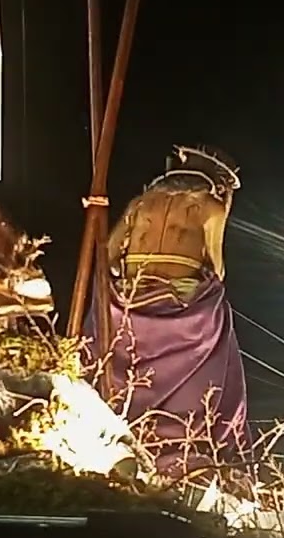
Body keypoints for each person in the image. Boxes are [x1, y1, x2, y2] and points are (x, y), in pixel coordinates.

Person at [87, 145, 248, 481]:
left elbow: (110, 251)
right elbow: (216, 265)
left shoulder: (140, 203)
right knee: (219, 319)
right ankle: (205, 435)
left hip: (130, 295)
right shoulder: (211, 206)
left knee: (101, 324)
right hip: (179, 293)